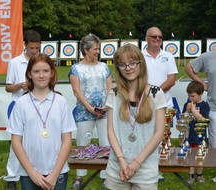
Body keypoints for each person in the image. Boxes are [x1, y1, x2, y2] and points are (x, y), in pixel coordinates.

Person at [7, 53, 76, 190]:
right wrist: (32, 172)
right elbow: (16, 141)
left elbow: (67, 140)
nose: (41, 75)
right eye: (36, 71)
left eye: (45, 71)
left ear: (52, 73)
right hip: (29, 173)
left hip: (58, 172)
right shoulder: (21, 103)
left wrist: (54, 174)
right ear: (29, 74)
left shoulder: (60, 102)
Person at [105, 44, 167, 190]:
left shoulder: (156, 93)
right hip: (118, 168)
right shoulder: (114, 94)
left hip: (145, 169)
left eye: (132, 63)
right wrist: (121, 160)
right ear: (118, 68)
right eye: (122, 64)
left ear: (141, 64)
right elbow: (110, 132)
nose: (128, 68)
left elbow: (159, 133)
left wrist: (136, 163)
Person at [68, 33, 113, 188]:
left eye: (98, 49)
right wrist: (89, 108)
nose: (98, 52)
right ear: (86, 50)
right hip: (84, 111)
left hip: (104, 111)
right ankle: (80, 175)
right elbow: (77, 91)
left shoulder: (104, 66)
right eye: (95, 49)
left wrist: (106, 105)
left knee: (106, 142)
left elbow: (109, 87)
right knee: (82, 143)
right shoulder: (76, 69)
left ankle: (106, 176)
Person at [5, 30, 41, 190]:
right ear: (25, 45)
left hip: (38, 105)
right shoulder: (14, 62)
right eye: (32, 48)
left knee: (38, 139)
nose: (34, 51)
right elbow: (8, 87)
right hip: (19, 105)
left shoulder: (41, 61)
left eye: (37, 48)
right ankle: (11, 177)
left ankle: (37, 171)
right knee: (17, 141)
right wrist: (19, 85)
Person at [142, 26, 178, 181]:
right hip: (143, 101)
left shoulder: (168, 56)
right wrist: (147, 93)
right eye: (154, 37)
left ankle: (158, 168)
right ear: (146, 38)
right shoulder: (139, 55)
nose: (157, 39)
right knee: (145, 136)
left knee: (162, 136)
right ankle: (144, 167)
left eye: (160, 37)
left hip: (164, 103)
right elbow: (136, 78)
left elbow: (171, 79)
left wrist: (154, 92)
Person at [185, 50, 216, 182]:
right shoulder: (209, 56)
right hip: (214, 106)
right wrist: (202, 83)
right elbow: (188, 67)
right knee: (215, 143)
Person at [182, 81, 210, 184]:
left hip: (200, 136)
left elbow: (203, 120)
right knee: (190, 155)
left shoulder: (204, 106)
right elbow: (183, 119)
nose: (191, 98)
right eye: (189, 96)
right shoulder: (187, 104)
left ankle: (199, 174)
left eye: (193, 96)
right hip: (189, 135)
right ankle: (191, 175)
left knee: (199, 156)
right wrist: (187, 111)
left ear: (201, 93)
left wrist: (194, 111)